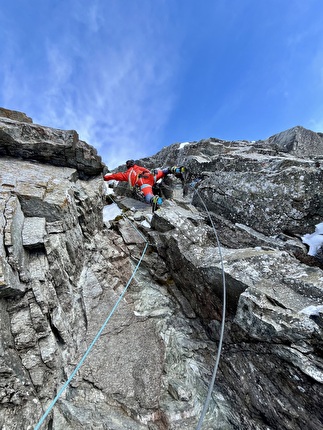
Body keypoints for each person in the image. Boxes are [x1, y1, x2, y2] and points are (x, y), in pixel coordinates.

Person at [104, 159, 184, 208]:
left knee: (148, 195)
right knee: (163, 172)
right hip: (152, 176)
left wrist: (105, 178)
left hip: (144, 183)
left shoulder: (126, 174)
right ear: (133, 163)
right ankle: (174, 170)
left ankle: (154, 200)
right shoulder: (139, 167)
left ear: (127, 166)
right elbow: (147, 171)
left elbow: (114, 176)